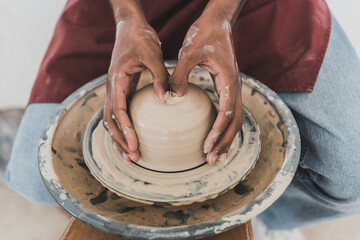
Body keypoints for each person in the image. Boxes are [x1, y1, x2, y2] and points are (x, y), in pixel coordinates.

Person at [6, 0, 360, 233]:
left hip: (255, 6)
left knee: (352, 171)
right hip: (122, 9)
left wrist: (222, 13)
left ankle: (256, 217)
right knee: (32, 176)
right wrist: (126, 16)